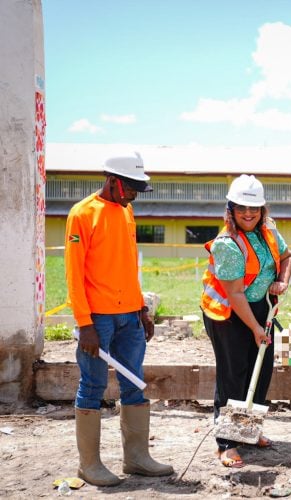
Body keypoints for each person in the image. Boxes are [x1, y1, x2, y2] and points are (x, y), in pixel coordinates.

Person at [65, 152, 173, 486]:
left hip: (129, 317)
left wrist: (142, 309)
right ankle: (90, 465)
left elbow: (128, 265)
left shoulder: (127, 211)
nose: (134, 195)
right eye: (131, 187)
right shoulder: (82, 214)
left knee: (134, 382)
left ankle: (137, 458)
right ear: (113, 180)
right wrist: (85, 324)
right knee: (93, 385)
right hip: (98, 320)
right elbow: (73, 274)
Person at [201, 174, 291, 468]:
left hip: (261, 309)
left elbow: (288, 257)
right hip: (228, 314)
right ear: (230, 210)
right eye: (241, 208)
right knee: (233, 376)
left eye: (254, 208)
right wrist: (254, 328)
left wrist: (282, 280)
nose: (249, 214)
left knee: (261, 372)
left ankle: (248, 432)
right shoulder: (226, 244)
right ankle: (226, 444)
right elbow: (236, 293)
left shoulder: (268, 232)